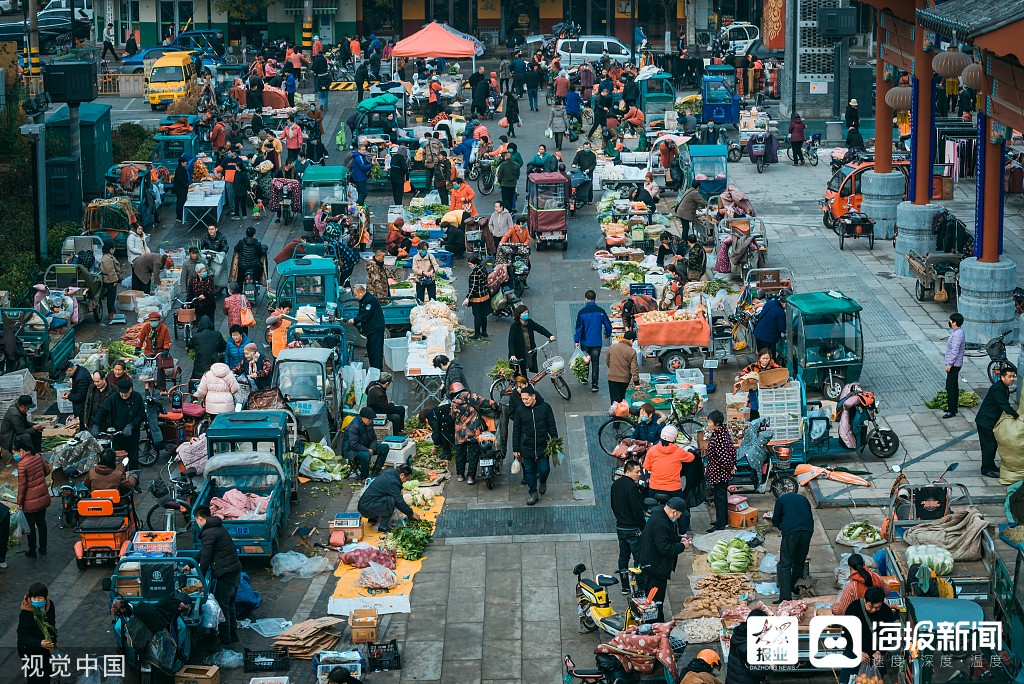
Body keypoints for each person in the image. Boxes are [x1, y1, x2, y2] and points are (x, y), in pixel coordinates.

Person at [638, 496, 692, 622]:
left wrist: (679, 539)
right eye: (679, 515)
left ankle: (657, 623)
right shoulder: (660, 523)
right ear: (674, 512)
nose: (679, 517)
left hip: (655, 567)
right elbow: (665, 549)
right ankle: (655, 626)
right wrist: (682, 546)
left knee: (656, 600)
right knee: (655, 602)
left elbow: (667, 538)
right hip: (655, 569)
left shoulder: (661, 516)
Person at [194, 506, 242, 644]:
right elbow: (204, 551)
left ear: (200, 518)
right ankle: (233, 635)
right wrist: (190, 564)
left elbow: (206, 558)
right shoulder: (218, 527)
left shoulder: (208, 533)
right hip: (234, 570)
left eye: (196, 520)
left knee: (223, 608)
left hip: (225, 573)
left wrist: (200, 579)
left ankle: (226, 641)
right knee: (230, 604)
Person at [839, 585, 895, 683]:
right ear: (865, 600)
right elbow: (846, 634)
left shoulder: (886, 612)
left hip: (875, 657)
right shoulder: (854, 608)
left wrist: (880, 651)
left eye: (877, 607)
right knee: (848, 680)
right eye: (870, 606)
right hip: (854, 654)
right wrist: (856, 650)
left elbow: (888, 635)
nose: (873, 610)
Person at [644, 425, 695, 532]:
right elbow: (691, 458)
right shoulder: (678, 451)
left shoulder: (652, 450)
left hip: (654, 487)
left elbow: (647, 467)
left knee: (650, 507)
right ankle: (682, 533)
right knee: (682, 509)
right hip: (673, 489)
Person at [513, 387, 557, 504]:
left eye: (526, 399)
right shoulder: (520, 410)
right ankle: (533, 492)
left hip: (543, 446)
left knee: (544, 469)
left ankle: (542, 482)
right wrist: (515, 448)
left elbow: (551, 425)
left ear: (533, 397)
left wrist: (555, 440)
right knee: (529, 472)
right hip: (526, 448)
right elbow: (516, 430)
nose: (524, 401)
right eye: (522, 399)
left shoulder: (545, 408)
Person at [976, 364, 1020, 478]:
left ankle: (990, 465)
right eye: (1009, 376)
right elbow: (1004, 405)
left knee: (993, 444)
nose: (1012, 379)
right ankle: (985, 469)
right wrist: (1017, 416)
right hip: (985, 421)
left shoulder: (1003, 387)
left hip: (991, 420)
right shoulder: (998, 388)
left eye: (1013, 377)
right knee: (988, 446)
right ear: (1002, 377)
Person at [451, 383, 500, 485]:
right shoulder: (473, 397)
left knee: (460, 454)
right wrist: (496, 405)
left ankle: (460, 475)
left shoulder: (454, 403)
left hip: (460, 433)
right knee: (473, 454)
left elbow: (452, 416)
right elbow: (487, 402)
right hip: (473, 432)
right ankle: (470, 477)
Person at [770, 492, 814, 602]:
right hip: (807, 529)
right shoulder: (803, 498)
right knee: (799, 560)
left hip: (791, 531)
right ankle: (794, 587)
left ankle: (785, 598)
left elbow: (775, 521)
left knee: (784, 564)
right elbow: (809, 514)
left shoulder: (780, 500)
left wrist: (783, 528)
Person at [610, 459, 645, 591]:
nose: (639, 474)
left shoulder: (615, 485)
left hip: (620, 527)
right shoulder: (632, 487)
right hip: (633, 529)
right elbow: (637, 510)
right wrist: (642, 526)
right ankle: (640, 587)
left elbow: (613, 505)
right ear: (628, 471)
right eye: (637, 472)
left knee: (623, 556)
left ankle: (625, 585)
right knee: (638, 559)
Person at [14, 433, 50, 558]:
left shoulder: (22, 464)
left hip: (30, 501)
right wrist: (38, 481)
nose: (16, 455)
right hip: (43, 496)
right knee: (41, 522)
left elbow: (22, 486)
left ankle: (32, 550)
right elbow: (48, 470)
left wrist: (19, 503)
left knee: (30, 526)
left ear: (22, 450)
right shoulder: (38, 456)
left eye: (17, 452)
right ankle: (43, 548)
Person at [358, 463, 420, 533]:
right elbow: (399, 501)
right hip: (367, 508)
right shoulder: (393, 482)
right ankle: (382, 527)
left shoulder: (390, 473)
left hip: (365, 505)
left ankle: (373, 519)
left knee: (388, 498)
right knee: (391, 501)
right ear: (402, 475)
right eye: (406, 478)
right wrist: (411, 513)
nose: (406, 481)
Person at [574, 290, 613, 392]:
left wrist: (576, 340)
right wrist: (607, 335)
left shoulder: (581, 312)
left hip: (585, 342)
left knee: (585, 360)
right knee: (595, 363)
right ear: (596, 298)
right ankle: (595, 384)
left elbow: (578, 328)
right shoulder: (601, 311)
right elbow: (608, 325)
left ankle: (584, 378)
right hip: (597, 342)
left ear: (586, 299)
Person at [18, 582, 57, 683]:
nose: (36, 601)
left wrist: (54, 640)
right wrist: (39, 643)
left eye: (40, 598)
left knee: (47, 675)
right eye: (34, 598)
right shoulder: (26, 613)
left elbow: (52, 625)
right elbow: (23, 636)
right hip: (31, 652)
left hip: (46, 650)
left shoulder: (49, 605)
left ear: (45, 598)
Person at [704, 410, 736, 532]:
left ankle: (721, 523)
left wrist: (731, 467)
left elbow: (725, 457)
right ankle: (720, 520)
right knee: (719, 497)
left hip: (720, 473)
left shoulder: (720, 437)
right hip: (719, 472)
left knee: (720, 498)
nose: (708, 424)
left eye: (710, 421)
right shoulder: (721, 433)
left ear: (716, 423)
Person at [736, 349, 782, 420]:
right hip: (755, 394)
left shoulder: (775, 367)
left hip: (769, 395)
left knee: (768, 414)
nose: (765, 360)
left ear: (770, 358)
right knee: (755, 411)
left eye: (767, 358)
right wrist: (749, 379)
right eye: (763, 358)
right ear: (759, 359)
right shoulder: (753, 367)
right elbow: (742, 374)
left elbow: (782, 374)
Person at [346, 407, 389, 480]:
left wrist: (372, 448)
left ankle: (376, 470)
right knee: (366, 455)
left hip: (366, 446)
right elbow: (353, 445)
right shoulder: (354, 427)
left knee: (385, 447)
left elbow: (374, 438)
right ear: (363, 418)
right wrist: (367, 450)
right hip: (352, 450)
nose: (370, 421)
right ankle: (364, 476)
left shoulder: (369, 424)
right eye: (369, 420)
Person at [508, 305, 555, 374]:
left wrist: (550, 335)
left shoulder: (529, 322)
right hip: (519, 352)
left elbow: (539, 328)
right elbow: (511, 341)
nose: (526, 314)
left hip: (529, 349)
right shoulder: (515, 326)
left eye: (527, 313)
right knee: (522, 371)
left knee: (530, 363)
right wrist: (512, 354)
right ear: (519, 315)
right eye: (524, 313)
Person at [349, 285, 386, 370]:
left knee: (375, 351)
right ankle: (373, 369)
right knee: (370, 350)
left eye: (356, 295)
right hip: (370, 330)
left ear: (361, 293)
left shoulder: (369, 300)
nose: (356, 297)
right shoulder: (364, 300)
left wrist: (355, 320)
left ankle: (377, 370)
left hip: (375, 329)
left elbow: (366, 314)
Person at [606, 331, 639, 403]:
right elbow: (634, 368)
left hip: (612, 377)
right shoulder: (632, 351)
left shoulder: (612, 347)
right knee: (621, 398)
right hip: (624, 379)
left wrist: (612, 369)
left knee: (614, 400)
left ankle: (614, 413)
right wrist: (636, 383)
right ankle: (621, 412)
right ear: (631, 340)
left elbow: (608, 361)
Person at [943, 313, 965, 418]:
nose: (949, 322)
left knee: (950, 387)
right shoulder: (958, 332)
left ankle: (951, 410)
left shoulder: (957, 335)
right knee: (953, 386)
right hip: (955, 363)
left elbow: (954, 351)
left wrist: (949, 364)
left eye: (951, 321)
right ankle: (953, 407)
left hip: (954, 364)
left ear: (954, 322)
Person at [752, 293, 787, 357]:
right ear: (785, 303)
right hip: (768, 338)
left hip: (759, 333)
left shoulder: (770, 303)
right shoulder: (780, 312)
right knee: (769, 358)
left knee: (762, 356)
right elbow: (783, 328)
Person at [465, 255, 491, 340]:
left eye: (470, 264)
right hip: (485, 295)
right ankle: (484, 332)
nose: (470, 266)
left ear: (475, 264)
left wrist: (467, 298)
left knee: (477, 316)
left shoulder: (475, 273)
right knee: (483, 315)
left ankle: (477, 334)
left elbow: (473, 287)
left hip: (477, 298)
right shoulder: (482, 268)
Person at [233, 226, 267, 291]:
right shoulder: (257, 243)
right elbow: (261, 252)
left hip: (242, 266)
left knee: (239, 280)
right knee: (260, 269)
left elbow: (236, 249)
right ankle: (258, 280)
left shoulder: (241, 242)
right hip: (254, 266)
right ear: (254, 234)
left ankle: (239, 292)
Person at [58, 359, 90, 427]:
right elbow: (77, 389)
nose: (66, 375)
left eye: (66, 373)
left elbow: (80, 397)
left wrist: (68, 396)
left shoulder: (80, 377)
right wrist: (70, 392)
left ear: (69, 370)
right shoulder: (79, 371)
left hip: (83, 407)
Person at [99, 241, 122, 324]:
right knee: (111, 297)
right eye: (113, 248)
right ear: (110, 249)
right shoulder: (107, 258)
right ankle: (111, 314)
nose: (114, 250)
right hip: (109, 280)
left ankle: (113, 312)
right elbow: (110, 271)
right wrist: (115, 280)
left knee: (112, 297)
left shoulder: (108, 257)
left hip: (110, 279)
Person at [173, 156, 190, 224]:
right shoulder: (180, 170)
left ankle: (181, 216)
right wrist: (187, 185)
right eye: (185, 162)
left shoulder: (181, 169)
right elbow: (181, 180)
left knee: (181, 202)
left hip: (181, 189)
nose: (186, 163)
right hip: (180, 190)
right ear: (181, 163)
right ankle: (180, 217)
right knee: (181, 203)